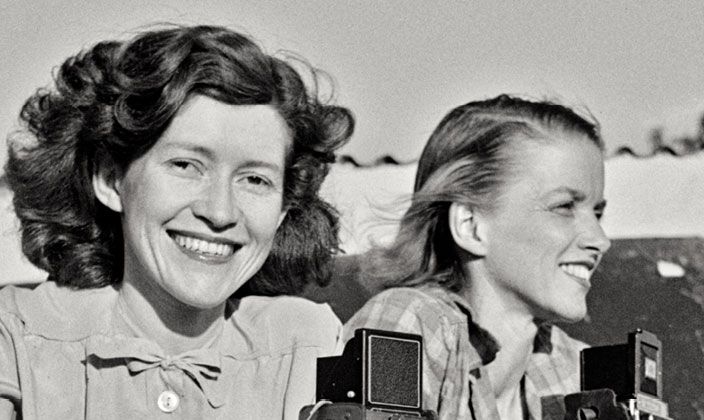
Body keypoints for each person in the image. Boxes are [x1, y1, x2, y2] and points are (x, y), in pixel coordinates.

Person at [0, 24, 354, 419]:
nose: (220, 212)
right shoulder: (17, 339)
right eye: (186, 165)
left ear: (284, 207)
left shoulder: (311, 349)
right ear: (109, 178)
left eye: (255, 179)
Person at [343, 95, 610, 420]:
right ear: (470, 226)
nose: (600, 240)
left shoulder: (575, 370)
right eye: (564, 206)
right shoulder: (408, 327)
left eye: (597, 212)